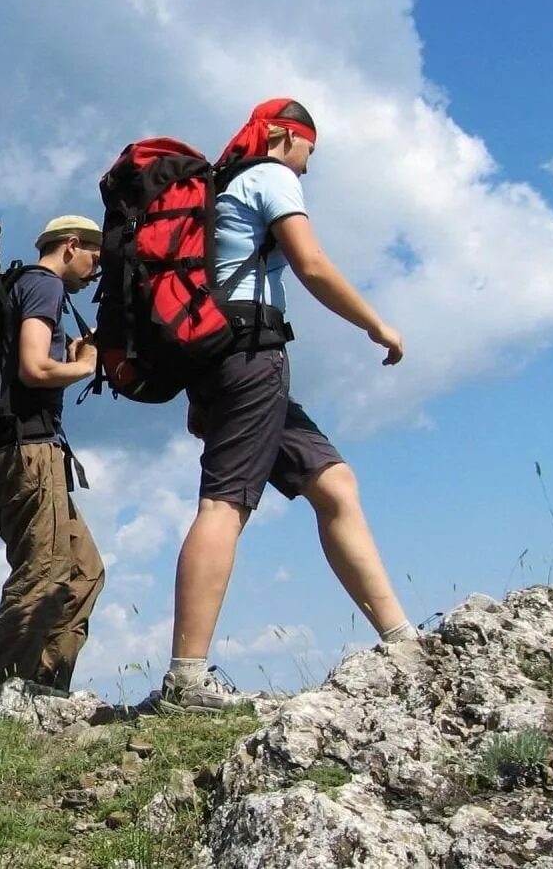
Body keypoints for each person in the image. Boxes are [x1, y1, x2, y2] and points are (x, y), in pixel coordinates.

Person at [160, 98, 416, 714]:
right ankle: (185, 680)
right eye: (308, 150)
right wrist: (376, 325)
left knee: (334, 484)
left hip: (230, 360)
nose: (307, 165)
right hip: (253, 354)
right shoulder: (268, 175)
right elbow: (312, 263)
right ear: (285, 137)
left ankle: (403, 642)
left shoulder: (223, 188)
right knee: (225, 502)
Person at [0, 216, 107, 694]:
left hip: (15, 449)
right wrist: (85, 364)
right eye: (96, 257)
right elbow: (34, 368)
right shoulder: (44, 285)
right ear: (71, 246)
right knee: (45, 569)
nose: (97, 270)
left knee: (84, 570)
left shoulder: (20, 287)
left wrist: (71, 357)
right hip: (29, 448)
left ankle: (43, 689)